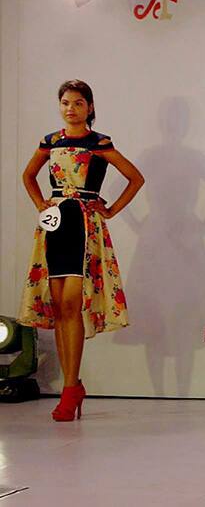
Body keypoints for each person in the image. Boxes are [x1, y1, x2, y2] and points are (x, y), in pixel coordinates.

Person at [19, 79, 145, 421]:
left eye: (77, 103)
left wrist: (112, 209)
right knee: (59, 304)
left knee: (73, 302)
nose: (70, 108)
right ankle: (71, 385)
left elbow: (135, 177)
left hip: (84, 226)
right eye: (65, 102)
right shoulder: (50, 142)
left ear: (89, 107)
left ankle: (70, 387)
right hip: (56, 223)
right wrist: (41, 204)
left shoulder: (98, 143)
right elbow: (28, 176)